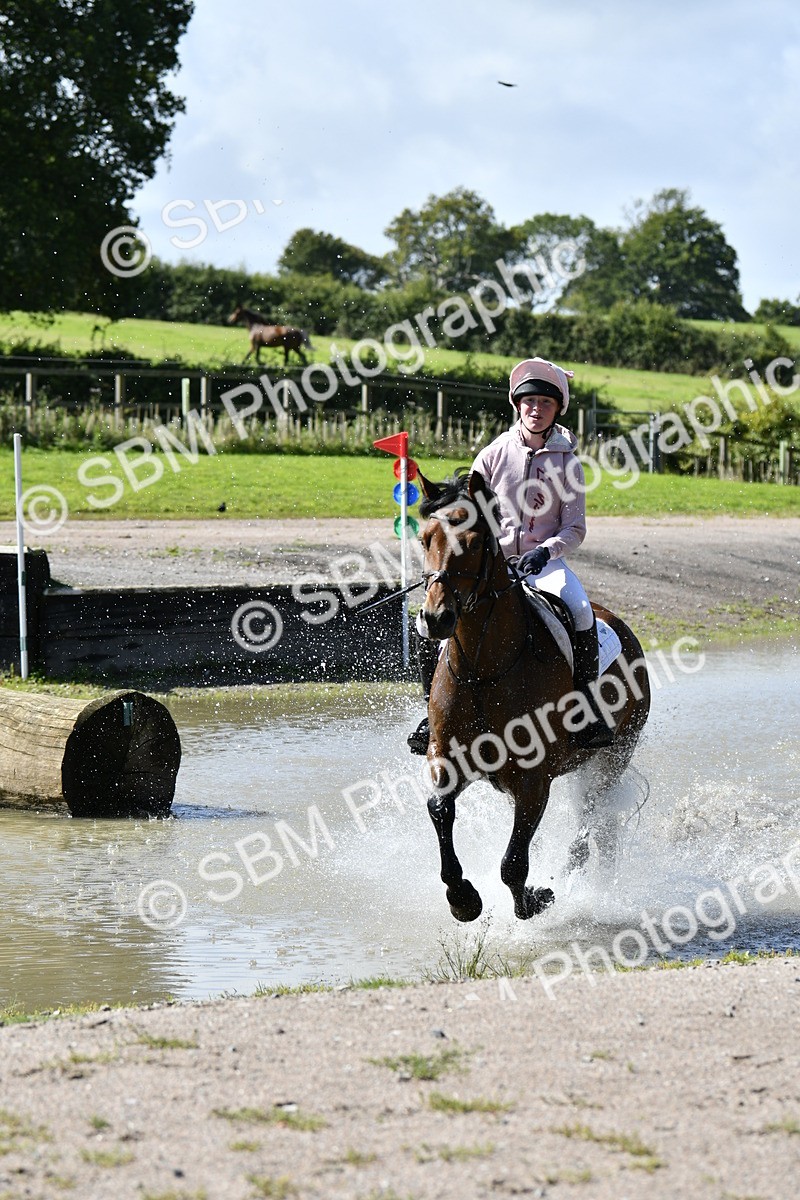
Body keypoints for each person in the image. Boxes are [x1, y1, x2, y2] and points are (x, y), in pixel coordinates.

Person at [408, 356, 614, 754]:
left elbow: (575, 529)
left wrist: (545, 552)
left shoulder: (568, 463)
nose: (536, 409)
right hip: (490, 565)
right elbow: (465, 520)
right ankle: (429, 714)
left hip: (544, 566)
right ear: (518, 405)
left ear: (557, 410)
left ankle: (586, 711)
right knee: (426, 625)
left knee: (582, 610)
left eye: (546, 404)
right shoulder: (491, 455)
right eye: (530, 402)